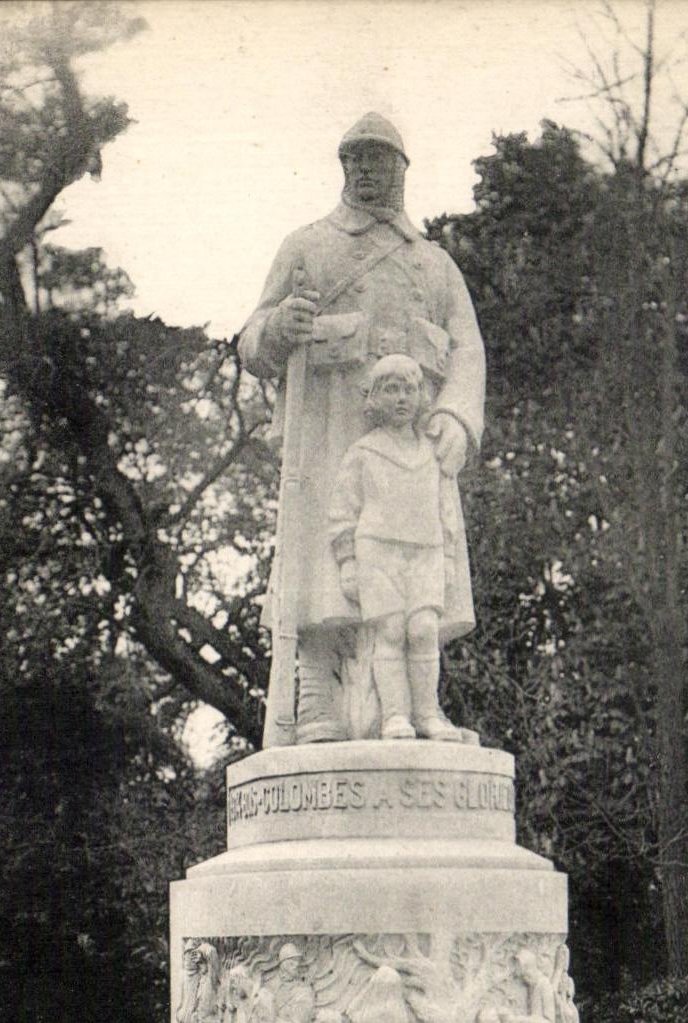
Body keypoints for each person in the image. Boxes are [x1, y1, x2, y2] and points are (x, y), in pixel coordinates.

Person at [238, 112, 484, 743]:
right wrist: (275, 328)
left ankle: (413, 709)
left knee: (414, 580)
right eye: (355, 159)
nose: (366, 170)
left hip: (411, 442)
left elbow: (467, 349)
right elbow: (252, 341)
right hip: (328, 428)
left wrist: (457, 413)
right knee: (323, 556)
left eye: (379, 159)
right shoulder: (307, 247)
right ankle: (316, 698)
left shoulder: (433, 265)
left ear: (403, 169)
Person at [327, 353, 463, 739]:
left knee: (422, 630)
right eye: (391, 389)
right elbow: (343, 511)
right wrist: (348, 561)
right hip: (377, 552)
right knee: (389, 631)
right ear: (374, 397)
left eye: (409, 389)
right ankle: (395, 716)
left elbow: (445, 510)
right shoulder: (363, 452)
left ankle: (428, 714)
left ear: (421, 395)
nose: (402, 398)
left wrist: (449, 558)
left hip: (427, 551)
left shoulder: (432, 455)